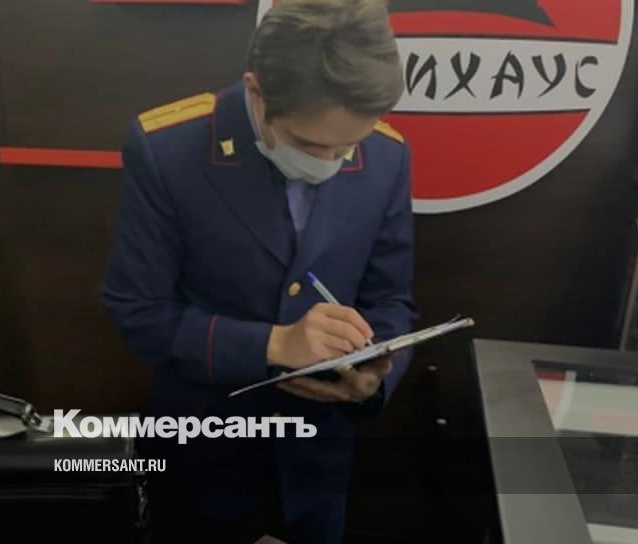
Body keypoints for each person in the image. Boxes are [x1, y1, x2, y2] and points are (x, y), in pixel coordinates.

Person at [101, 0, 417, 541]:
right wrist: (274, 344)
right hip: (203, 456)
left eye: (349, 146)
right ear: (257, 91)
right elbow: (139, 313)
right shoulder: (167, 149)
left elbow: (392, 300)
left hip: (318, 463)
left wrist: (374, 377)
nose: (332, 162)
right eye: (311, 145)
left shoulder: (387, 155)